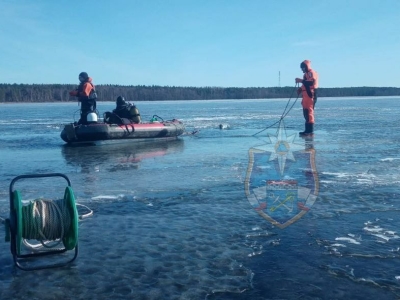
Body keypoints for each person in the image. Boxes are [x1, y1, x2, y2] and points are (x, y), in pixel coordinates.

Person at [295, 60, 318, 136]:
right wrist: (300, 89)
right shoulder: (305, 75)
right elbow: (305, 83)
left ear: (306, 67)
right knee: (305, 112)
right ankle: (307, 130)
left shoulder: (312, 73)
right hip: (305, 95)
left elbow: (311, 83)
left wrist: (300, 81)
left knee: (309, 112)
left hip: (311, 94)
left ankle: (310, 131)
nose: (302, 70)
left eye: (303, 68)